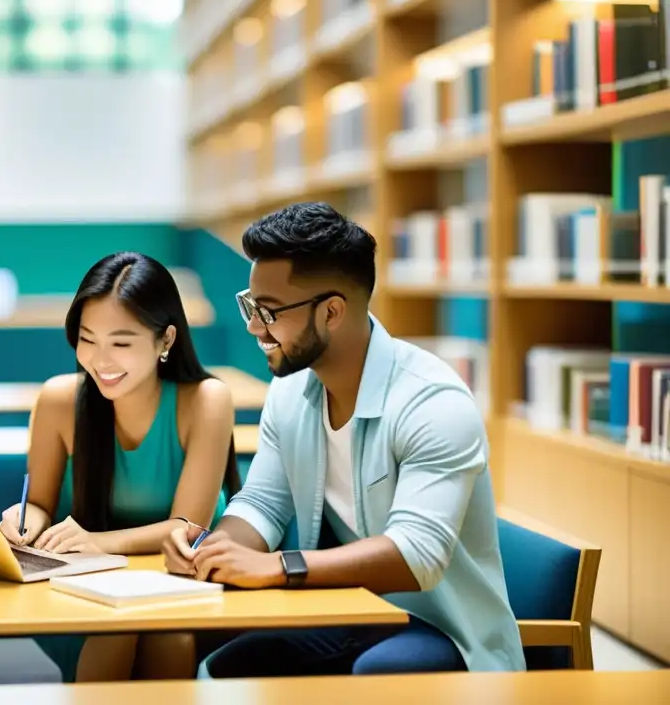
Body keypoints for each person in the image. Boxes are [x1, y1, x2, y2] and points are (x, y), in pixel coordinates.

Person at [162, 202, 526, 677]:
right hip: (347, 608)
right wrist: (213, 550)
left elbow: (417, 556)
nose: (254, 327)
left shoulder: (433, 402)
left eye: (268, 312)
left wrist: (276, 567)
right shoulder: (291, 389)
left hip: (442, 626)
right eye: (250, 306)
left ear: (332, 312)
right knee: (226, 664)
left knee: (379, 675)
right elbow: (265, 504)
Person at [0, 251, 242, 682]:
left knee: (172, 637)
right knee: (113, 634)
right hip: (84, 588)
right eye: (88, 339)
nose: (101, 360)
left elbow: (187, 527)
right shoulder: (59, 400)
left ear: (166, 341)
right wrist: (23, 518)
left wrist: (98, 542)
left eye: (122, 342)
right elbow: (39, 503)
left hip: (182, 582)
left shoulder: (207, 400)